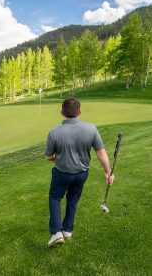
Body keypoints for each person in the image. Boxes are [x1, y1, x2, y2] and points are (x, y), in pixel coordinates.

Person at [44, 98, 114, 246]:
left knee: (55, 198)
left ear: (62, 112)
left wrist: (60, 157)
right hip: (82, 174)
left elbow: (49, 156)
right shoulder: (91, 129)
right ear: (79, 112)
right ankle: (68, 231)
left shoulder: (54, 132)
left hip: (62, 173)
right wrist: (108, 172)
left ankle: (57, 232)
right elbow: (101, 153)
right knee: (73, 199)